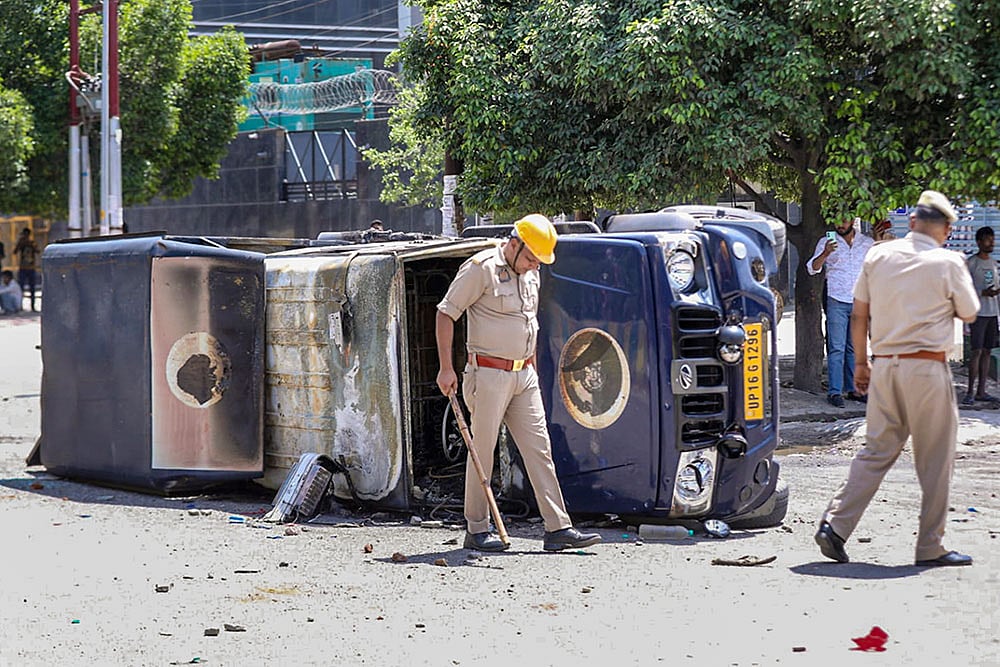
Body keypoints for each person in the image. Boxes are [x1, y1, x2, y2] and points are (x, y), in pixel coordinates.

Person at [815, 190, 980, 567]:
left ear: (913, 223)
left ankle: (835, 526)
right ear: (947, 229)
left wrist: (860, 366)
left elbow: (859, 315)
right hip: (926, 369)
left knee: (876, 451)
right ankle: (930, 546)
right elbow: (970, 312)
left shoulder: (878, 255)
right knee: (935, 459)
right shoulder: (948, 261)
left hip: (885, 366)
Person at [435, 214, 601, 552]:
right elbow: (445, 313)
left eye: (539, 261)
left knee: (540, 450)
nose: (533, 266)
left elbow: (530, 326)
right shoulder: (480, 268)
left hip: (524, 376)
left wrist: (534, 371)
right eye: (529, 258)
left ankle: (557, 529)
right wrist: (445, 369)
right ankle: (477, 529)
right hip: (488, 374)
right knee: (482, 452)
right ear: (514, 244)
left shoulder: (531, 275)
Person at [807, 216, 874, 407]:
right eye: (837, 222)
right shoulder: (826, 242)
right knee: (836, 348)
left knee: (855, 349)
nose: (840, 225)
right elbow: (812, 268)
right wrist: (826, 253)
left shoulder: (866, 243)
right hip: (836, 300)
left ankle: (854, 390)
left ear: (853, 221)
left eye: (844, 221)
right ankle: (835, 391)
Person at [962, 226, 1000, 405]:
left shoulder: (994, 264)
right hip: (977, 313)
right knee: (976, 352)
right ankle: (969, 391)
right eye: (987, 239)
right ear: (979, 242)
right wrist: (981, 292)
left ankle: (981, 391)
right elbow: (964, 288)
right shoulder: (971, 263)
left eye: (992, 239)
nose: (991, 242)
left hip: (992, 313)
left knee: (987, 351)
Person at [13, 228, 39, 312]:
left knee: (32, 288)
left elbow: (38, 251)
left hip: (31, 268)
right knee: (21, 288)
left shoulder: (32, 242)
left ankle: (33, 306)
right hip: (22, 268)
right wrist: (20, 243)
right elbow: (15, 252)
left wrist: (31, 244)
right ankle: (20, 305)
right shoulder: (21, 243)